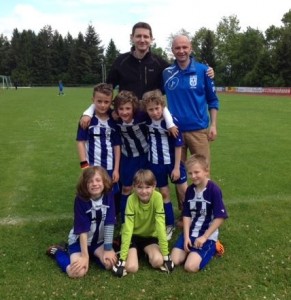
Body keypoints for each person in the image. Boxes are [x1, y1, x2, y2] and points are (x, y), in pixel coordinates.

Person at [80, 22, 214, 127]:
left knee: (153, 159)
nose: (142, 40)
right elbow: (105, 91)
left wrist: (204, 69)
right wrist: (89, 111)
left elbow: (182, 69)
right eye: (138, 36)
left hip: (152, 119)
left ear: (151, 39)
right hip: (125, 119)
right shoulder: (121, 61)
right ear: (132, 37)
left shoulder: (160, 64)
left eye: (146, 36)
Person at [46, 166, 117, 278]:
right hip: (80, 241)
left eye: (98, 180)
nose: (95, 184)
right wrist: (84, 256)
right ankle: (58, 251)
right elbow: (83, 230)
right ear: (85, 184)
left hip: (98, 241)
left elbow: (109, 222)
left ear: (104, 182)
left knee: (109, 264)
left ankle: (94, 255)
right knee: (77, 273)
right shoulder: (81, 200)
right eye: (90, 181)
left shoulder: (109, 195)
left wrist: (108, 249)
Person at [163, 35, 219, 164]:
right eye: (177, 48)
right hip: (175, 131)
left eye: (184, 47)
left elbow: (213, 100)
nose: (181, 51)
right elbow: (155, 95)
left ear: (191, 48)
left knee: (202, 173)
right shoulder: (166, 73)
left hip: (198, 131)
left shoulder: (204, 71)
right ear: (172, 50)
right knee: (178, 175)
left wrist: (213, 125)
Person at [142, 89, 188, 240]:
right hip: (155, 164)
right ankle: (169, 224)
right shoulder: (146, 120)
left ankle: (195, 220)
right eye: (151, 109)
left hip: (173, 163)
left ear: (162, 106)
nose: (154, 112)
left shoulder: (171, 122)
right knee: (164, 194)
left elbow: (178, 146)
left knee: (185, 192)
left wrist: (176, 167)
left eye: (157, 108)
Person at [171, 154, 228, 273]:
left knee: (190, 267)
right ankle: (192, 250)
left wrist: (204, 237)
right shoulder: (190, 190)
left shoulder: (214, 190)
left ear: (206, 171)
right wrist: (186, 236)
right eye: (190, 173)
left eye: (197, 172)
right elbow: (186, 215)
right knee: (174, 260)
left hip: (206, 235)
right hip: (191, 232)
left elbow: (220, 217)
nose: (193, 176)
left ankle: (214, 246)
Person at [112, 169, 174, 277]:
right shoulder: (131, 199)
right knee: (132, 267)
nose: (144, 191)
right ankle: (124, 250)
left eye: (147, 187)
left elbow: (160, 226)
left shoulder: (158, 197)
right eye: (139, 187)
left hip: (149, 236)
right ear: (134, 187)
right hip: (132, 236)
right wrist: (122, 261)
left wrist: (166, 256)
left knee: (158, 261)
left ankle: (141, 252)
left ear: (154, 186)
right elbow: (128, 228)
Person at [76, 83, 121, 191]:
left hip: (110, 166)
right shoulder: (86, 119)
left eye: (106, 102)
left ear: (111, 102)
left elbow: (117, 145)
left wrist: (116, 169)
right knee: (93, 192)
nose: (103, 105)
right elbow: (80, 142)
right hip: (92, 166)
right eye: (99, 101)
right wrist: (84, 166)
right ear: (93, 100)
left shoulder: (114, 118)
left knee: (110, 194)